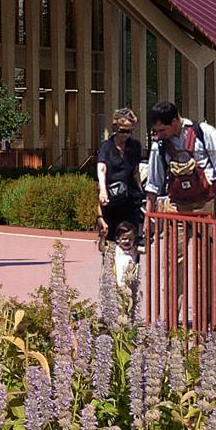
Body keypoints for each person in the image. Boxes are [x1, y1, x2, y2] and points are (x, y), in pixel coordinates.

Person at [144, 100, 216, 320]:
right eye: (155, 130)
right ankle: (172, 319)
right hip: (176, 207)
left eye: (162, 129)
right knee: (173, 263)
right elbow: (153, 182)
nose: (159, 134)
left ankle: (209, 318)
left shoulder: (204, 132)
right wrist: (149, 215)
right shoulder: (159, 145)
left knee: (209, 262)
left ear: (175, 121)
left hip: (205, 204)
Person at [96, 108, 149, 293]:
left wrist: (142, 195)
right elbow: (101, 169)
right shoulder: (106, 147)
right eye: (122, 130)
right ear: (114, 127)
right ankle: (111, 289)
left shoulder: (135, 146)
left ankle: (130, 286)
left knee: (131, 242)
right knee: (110, 244)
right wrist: (102, 190)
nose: (126, 135)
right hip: (111, 200)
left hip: (130, 199)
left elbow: (135, 171)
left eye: (129, 131)